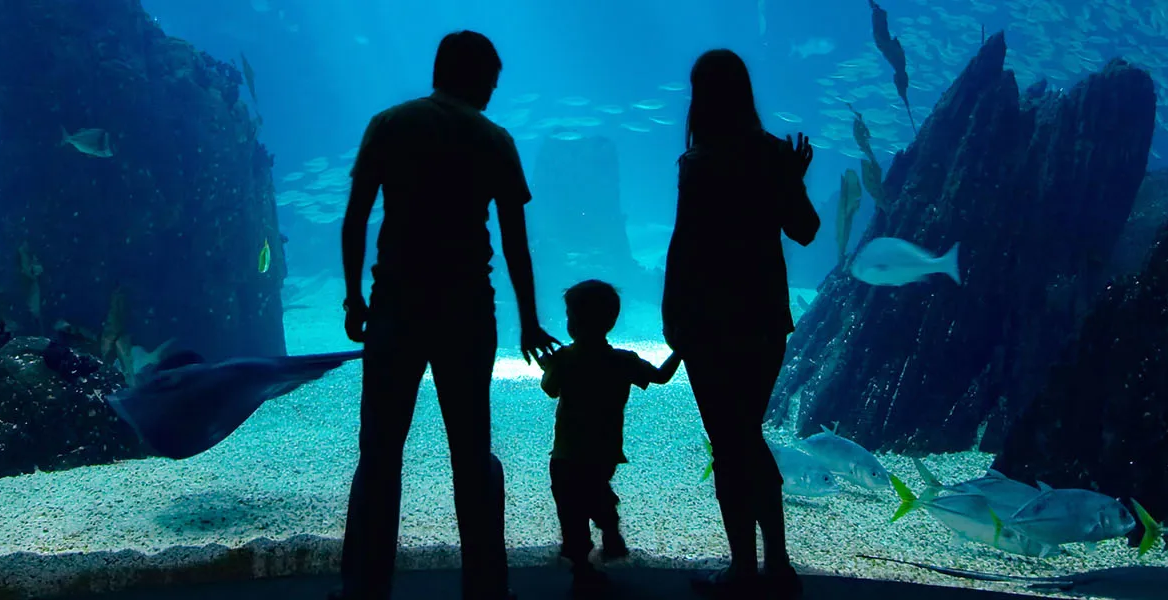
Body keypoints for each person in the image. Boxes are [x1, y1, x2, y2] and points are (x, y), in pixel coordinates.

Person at [333, 30, 561, 600]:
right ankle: (486, 585)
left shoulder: (389, 125)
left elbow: (356, 217)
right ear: (477, 75)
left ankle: (366, 586)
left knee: (380, 450)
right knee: (471, 447)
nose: (493, 88)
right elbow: (515, 242)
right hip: (466, 309)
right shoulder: (494, 138)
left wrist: (353, 296)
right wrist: (528, 319)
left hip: (395, 306)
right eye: (492, 78)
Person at [661, 49, 818, 599]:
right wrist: (791, 181)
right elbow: (806, 230)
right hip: (763, 320)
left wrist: (672, 316)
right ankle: (776, 562)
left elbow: (684, 248)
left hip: (708, 322)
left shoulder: (698, 162)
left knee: (730, 443)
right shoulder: (774, 155)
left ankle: (746, 567)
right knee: (744, 436)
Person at [536, 280, 680, 592]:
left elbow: (549, 388)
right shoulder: (623, 361)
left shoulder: (564, 358)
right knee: (597, 489)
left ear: (573, 322)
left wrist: (545, 365)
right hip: (604, 452)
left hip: (566, 452)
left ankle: (582, 562)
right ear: (611, 321)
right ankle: (609, 528)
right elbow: (661, 377)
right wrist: (681, 350)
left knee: (570, 507)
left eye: (571, 317)